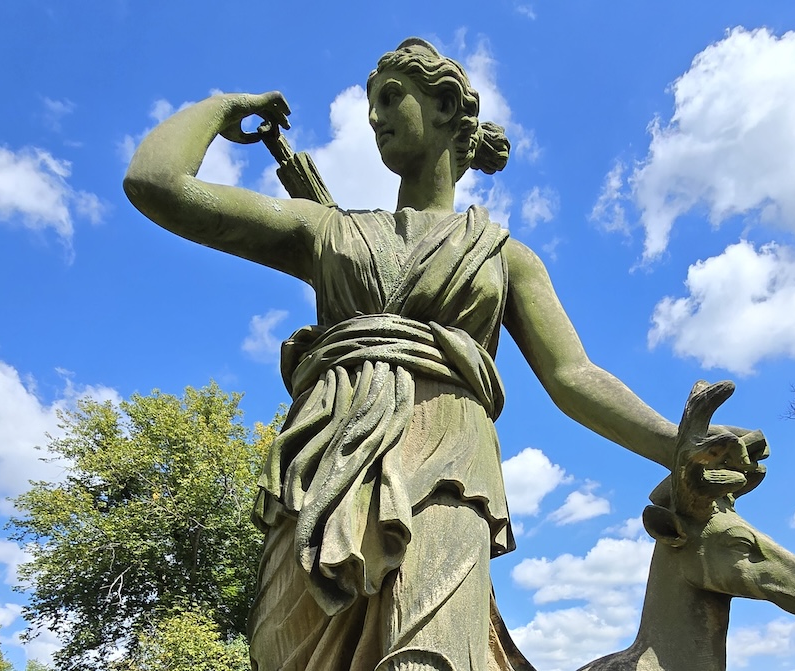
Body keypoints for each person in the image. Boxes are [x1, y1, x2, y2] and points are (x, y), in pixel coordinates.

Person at [124, 37, 758, 671]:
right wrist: (224, 106)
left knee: (427, 659)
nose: (372, 117)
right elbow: (156, 183)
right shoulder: (326, 231)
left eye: (389, 97)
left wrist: (677, 445)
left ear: (447, 104)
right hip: (321, 466)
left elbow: (573, 376)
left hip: (448, 468)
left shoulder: (503, 256)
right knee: (283, 655)